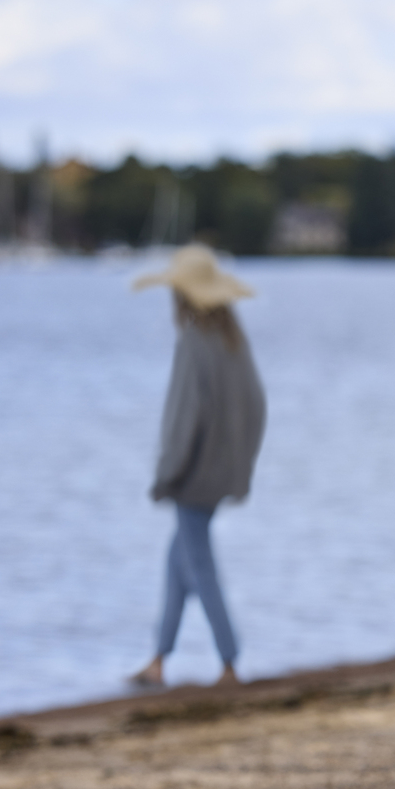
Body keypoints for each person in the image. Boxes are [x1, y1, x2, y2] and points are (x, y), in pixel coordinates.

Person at [129, 244, 266, 689]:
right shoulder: (235, 343)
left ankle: (228, 661)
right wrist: (241, 470)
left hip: (191, 479)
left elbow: (183, 420)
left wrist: (165, 476)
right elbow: (258, 408)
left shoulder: (193, 343)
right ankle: (158, 660)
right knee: (178, 564)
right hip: (222, 477)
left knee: (199, 567)